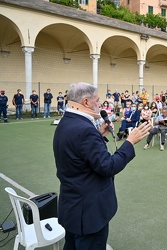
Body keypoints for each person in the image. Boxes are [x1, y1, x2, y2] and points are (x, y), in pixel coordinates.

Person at [53, 82, 151, 249]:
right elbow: (107, 167)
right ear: (85, 102)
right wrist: (130, 142)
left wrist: (99, 135)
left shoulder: (67, 121)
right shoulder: (84, 129)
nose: (100, 104)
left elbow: (78, 152)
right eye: (97, 100)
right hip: (88, 211)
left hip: (72, 206)